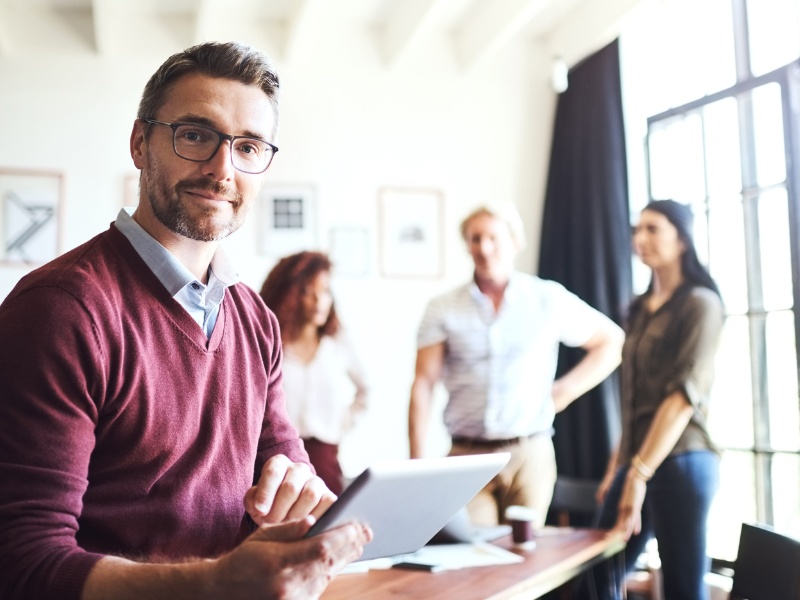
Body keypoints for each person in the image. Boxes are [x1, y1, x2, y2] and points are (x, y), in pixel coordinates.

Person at [0, 41, 371, 600]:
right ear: (139, 143)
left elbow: (287, 460)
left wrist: (299, 490)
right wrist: (213, 584)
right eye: (195, 135)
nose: (222, 169)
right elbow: (22, 563)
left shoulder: (255, 319)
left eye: (247, 147)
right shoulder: (61, 308)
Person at [408, 202, 624, 528]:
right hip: (467, 456)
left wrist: (563, 391)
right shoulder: (442, 308)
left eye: (493, 237)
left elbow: (611, 341)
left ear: (514, 242)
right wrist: (417, 462)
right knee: (474, 563)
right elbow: (423, 383)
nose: (484, 247)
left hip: (530, 454)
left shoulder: (546, 298)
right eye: (475, 238)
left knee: (524, 561)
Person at [592, 200, 724, 600]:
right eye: (637, 230)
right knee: (598, 578)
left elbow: (682, 398)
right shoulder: (639, 308)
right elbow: (633, 401)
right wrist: (617, 468)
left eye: (653, 229)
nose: (640, 238)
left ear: (681, 240)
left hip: (683, 462)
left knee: (683, 588)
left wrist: (637, 475)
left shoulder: (700, 304)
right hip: (637, 462)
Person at [260, 251, 369, 495]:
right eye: (309, 291)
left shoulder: (338, 343)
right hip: (277, 463)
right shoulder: (270, 343)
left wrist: (340, 424)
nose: (320, 301)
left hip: (326, 459)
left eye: (326, 291)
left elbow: (366, 389)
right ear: (290, 294)